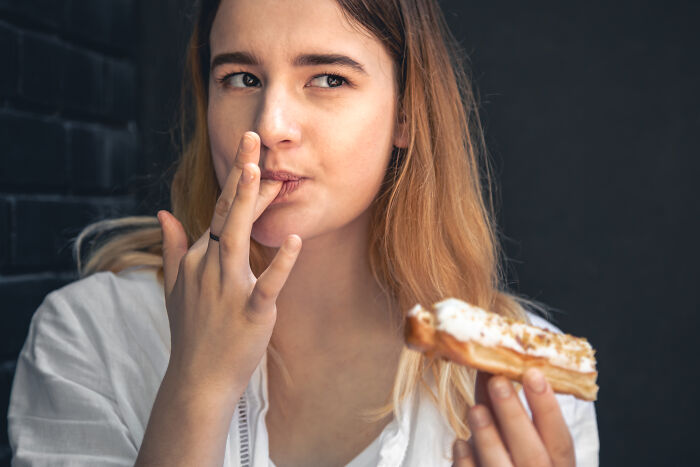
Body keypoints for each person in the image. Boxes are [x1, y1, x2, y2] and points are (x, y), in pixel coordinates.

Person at [8, 0, 599, 465]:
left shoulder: (522, 386)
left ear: (407, 113)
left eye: (328, 79)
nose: (270, 126)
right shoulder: (88, 337)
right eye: (240, 78)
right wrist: (197, 387)